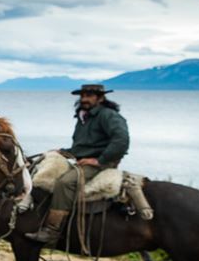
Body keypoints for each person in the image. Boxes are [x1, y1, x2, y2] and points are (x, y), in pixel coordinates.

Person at [26, 83, 129, 245]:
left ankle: (52, 231)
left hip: (101, 164)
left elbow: (121, 141)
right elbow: (83, 146)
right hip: (84, 161)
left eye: (89, 96)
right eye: (83, 96)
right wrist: (64, 151)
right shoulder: (84, 117)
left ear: (100, 98)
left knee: (65, 183)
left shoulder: (108, 115)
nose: (84, 99)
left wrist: (98, 160)